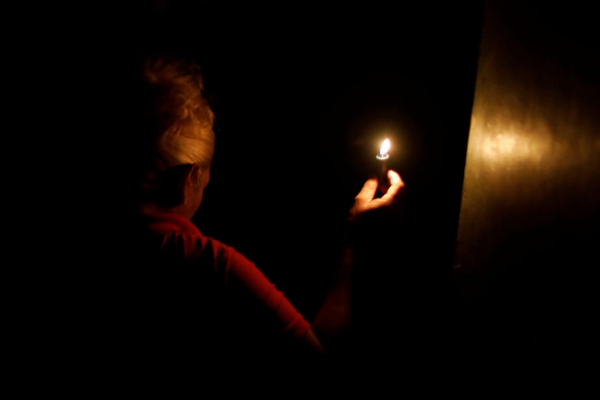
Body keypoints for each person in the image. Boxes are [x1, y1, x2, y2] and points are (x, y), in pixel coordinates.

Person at [107, 57, 405, 393]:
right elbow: (319, 368)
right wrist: (357, 241)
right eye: (206, 175)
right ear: (187, 180)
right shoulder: (211, 267)